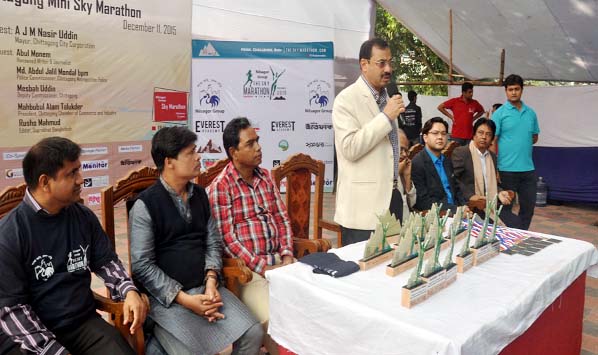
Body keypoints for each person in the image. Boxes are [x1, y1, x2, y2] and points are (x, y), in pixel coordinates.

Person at [0, 137, 147, 355]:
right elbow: (12, 311)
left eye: (79, 170)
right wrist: (54, 351)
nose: (81, 180)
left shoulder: (83, 217)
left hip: (81, 324)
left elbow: (107, 263)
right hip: (29, 335)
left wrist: (129, 291)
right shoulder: (10, 234)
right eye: (72, 173)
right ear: (44, 182)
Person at [129, 127, 263, 355]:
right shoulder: (145, 205)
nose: (198, 156)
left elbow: (212, 243)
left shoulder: (200, 195)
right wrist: (184, 299)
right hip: (168, 301)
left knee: (254, 333)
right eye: (191, 153)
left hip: (207, 288)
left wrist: (211, 281)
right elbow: (142, 265)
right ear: (169, 161)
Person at [208, 117, 293, 355]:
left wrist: (286, 256)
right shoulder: (221, 187)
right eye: (250, 144)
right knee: (275, 318)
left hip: (281, 262)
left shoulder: (265, 176)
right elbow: (227, 240)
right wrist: (264, 268)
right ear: (234, 152)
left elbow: (282, 219)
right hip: (249, 272)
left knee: (306, 307)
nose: (258, 148)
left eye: (258, 141)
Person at [332, 37, 407, 246]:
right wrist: (385, 117)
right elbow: (350, 148)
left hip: (392, 200)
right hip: (362, 208)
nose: (388, 69)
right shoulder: (346, 100)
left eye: (390, 62)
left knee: (391, 269)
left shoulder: (389, 97)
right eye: (381, 63)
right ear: (364, 65)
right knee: (360, 273)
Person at [491, 74, 540, 230]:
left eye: (516, 89)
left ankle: (521, 236)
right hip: (506, 170)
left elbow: (534, 137)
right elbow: (493, 141)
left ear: (522, 90)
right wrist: (495, 167)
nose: (513, 92)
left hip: (528, 170)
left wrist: (519, 143)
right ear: (506, 91)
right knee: (505, 210)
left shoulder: (531, 113)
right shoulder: (499, 114)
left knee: (528, 208)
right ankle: (507, 238)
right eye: (510, 89)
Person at [451, 118, 519, 226]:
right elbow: (454, 181)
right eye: (480, 133)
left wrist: (500, 192)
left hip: (491, 205)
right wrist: (470, 196)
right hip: (471, 206)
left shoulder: (492, 156)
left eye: (488, 134)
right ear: (474, 135)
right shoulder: (462, 153)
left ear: (492, 139)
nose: (484, 137)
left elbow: (492, 183)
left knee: (516, 222)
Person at [412, 117, 467, 212]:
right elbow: (422, 201)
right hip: (438, 216)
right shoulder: (418, 163)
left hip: (458, 213)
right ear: (425, 137)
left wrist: (464, 206)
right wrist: (455, 210)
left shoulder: (447, 160)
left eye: (443, 133)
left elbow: (456, 189)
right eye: (435, 133)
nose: (440, 137)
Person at [398, 129, 417, 217]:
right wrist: (396, 173)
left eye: (406, 150)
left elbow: (412, 203)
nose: (404, 154)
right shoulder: (380, 170)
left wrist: (407, 176)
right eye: (400, 150)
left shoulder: (403, 168)